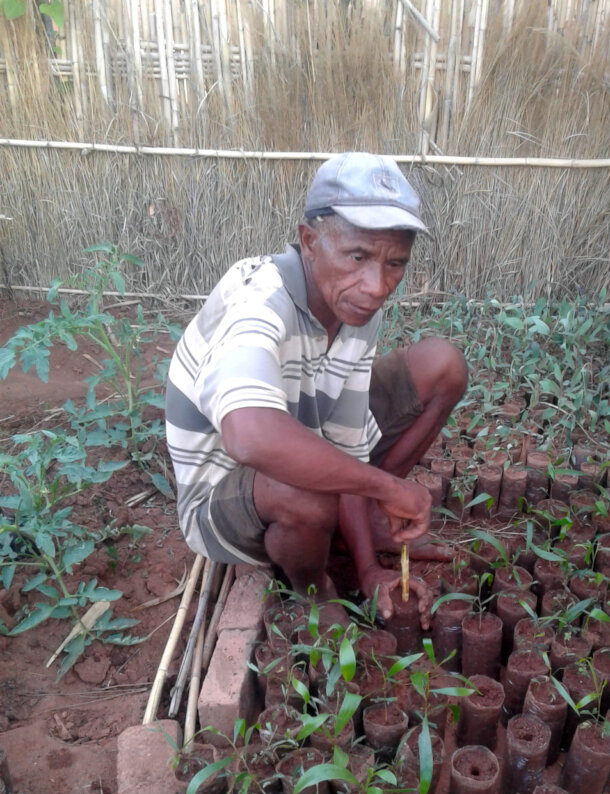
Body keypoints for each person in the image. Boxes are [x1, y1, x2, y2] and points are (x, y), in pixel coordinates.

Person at [165, 152, 467, 628]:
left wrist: (369, 570)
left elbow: (345, 447)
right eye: (358, 257)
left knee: (441, 366)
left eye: (395, 263)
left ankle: (355, 531)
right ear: (309, 240)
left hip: (295, 451)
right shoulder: (257, 302)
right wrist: (387, 487)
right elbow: (250, 437)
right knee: (306, 491)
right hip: (223, 492)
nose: (377, 285)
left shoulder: (354, 306)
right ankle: (313, 591)